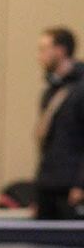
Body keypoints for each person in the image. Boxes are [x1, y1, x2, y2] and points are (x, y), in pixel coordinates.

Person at [35, 26, 84, 220]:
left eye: (43, 49)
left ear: (60, 51)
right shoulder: (50, 91)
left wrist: (81, 184)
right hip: (48, 186)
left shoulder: (81, 90)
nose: (39, 56)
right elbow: (46, 144)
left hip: (71, 189)